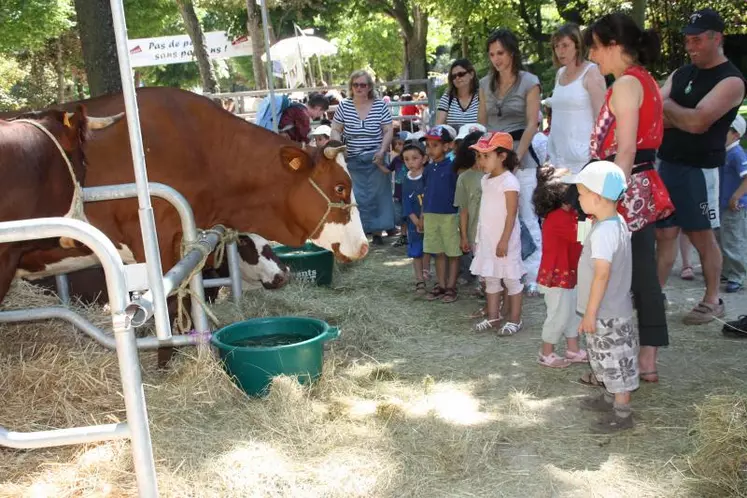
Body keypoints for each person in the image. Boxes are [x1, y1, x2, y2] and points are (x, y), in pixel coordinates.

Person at [583, 12, 668, 384]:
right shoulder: (642, 81)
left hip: (622, 188)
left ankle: (631, 359)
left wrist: (609, 199)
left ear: (614, 46)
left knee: (623, 274)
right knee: (638, 272)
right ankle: (641, 356)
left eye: (596, 47)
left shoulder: (626, 85)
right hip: (633, 185)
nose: (593, 56)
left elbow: (627, 149)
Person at [655, 8, 747, 324]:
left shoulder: (731, 80)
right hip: (667, 165)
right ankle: (654, 294)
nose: (690, 46)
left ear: (716, 38)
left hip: (700, 170)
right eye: (687, 40)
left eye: (696, 40)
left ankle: (712, 299)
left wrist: (668, 110)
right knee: (665, 233)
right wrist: (675, 114)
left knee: (701, 235)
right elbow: (653, 113)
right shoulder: (682, 73)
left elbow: (697, 123)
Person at [563, 160, 637, 432]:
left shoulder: (606, 231)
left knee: (616, 362)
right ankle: (608, 399)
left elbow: (602, 274)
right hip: (608, 310)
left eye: (581, 194)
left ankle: (622, 414)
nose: (579, 199)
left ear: (596, 197)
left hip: (606, 313)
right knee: (604, 359)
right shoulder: (613, 222)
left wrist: (591, 313)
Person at [477, 28, 543, 296]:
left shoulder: (530, 82)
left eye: (501, 53)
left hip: (520, 155)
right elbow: (482, 124)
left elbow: (532, 124)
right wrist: (485, 159)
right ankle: (500, 273)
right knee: (495, 217)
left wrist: (515, 158)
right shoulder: (484, 84)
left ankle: (534, 275)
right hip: (492, 157)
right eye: (492, 54)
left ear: (512, 52)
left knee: (526, 215)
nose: (496, 59)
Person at [331, 70, 395, 245]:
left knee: (378, 195)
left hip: (376, 156)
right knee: (357, 196)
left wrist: (382, 151)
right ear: (351, 87)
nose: (359, 88)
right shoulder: (344, 106)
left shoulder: (380, 105)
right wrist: (338, 148)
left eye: (363, 85)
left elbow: (388, 129)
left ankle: (377, 231)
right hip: (352, 157)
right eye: (356, 84)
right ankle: (361, 231)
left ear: (369, 87)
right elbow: (336, 129)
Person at [469, 132, 524, 335]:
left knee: (511, 279)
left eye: (486, 155)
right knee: (491, 278)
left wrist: (504, 240)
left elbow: (511, 214)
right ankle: (493, 316)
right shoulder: (485, 180)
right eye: (479, 156)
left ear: (502, 156)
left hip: (505, 239)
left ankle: (515, 320)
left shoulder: (509, 182)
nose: (480, 161)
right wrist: (478, 238)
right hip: (488, 238)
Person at [533, 166, 586, 368]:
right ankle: (546, 353)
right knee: (559, 315)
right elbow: (579, 236)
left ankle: (573, 349)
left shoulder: (569, 213)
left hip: (568, 274)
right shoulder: (557, 217)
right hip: (556, 277)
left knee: (572, 314)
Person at [547, 23, 607, 174]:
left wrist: (596, 156)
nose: (560, 51)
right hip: (558, 157)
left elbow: (602, 119)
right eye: (556, 46)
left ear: (578, 45)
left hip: (583, 158)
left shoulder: (592, 72)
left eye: (565, 45)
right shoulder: (559, 73)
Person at [422, 125, 461, 303]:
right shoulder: (428, 168)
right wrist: (423, 213)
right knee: (437, 251)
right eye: (428, 145)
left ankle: (451, 286)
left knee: (452, 252)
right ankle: (441, 284)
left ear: (447, 146)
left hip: (449, 215)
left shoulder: (453, 167)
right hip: (431, 214)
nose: (430, 149)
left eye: (435, 145)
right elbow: (426, 191)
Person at [453, 129, 487, 289]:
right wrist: (464, 237)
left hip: (496, 232)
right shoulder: (464, 178)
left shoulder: (495, 174)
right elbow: (463, 210)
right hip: (475, 234)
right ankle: (487, 298)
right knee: (483, 271)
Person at [719, 115, 747, 293]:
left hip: (733, 206)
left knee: (733, 240)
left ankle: (737, 275)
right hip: (722, 204)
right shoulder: (724, 153)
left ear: (736, 134)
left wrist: (736, 196)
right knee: (723, 238)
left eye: (725, 130)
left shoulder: (736, 154)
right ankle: (728, 271)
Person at [402, 141, 428, 294]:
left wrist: (423, 218)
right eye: (406, 159)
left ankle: (428, 273)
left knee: (431, 249)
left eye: (414, 158)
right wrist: (415, 220)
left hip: (430, 219)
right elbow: (406, 201)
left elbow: (430, 198)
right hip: (414, 223)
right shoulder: (406, 178)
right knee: (416, 250)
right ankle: (419, 279)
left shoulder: (428, 175)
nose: (410, 162)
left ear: (424, 159)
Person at [436, 59, 481, 129]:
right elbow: (438, 127)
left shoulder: (481, 95)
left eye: (461, 74)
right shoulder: (447, 97)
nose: (457, 78)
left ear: (471, 74)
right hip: (453, 139)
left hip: (477, 138)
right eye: (453, 76)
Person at [389, 131, 409, 247]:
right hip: (398, 194)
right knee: (400, 217)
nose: (398, 146)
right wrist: (378, 164)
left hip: (410, 194)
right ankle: (403, 236)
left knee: (410, 215)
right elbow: (388, 169)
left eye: (401, 144)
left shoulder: (413, 159)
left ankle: (409, 236)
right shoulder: (396, 160)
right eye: (396, 144)